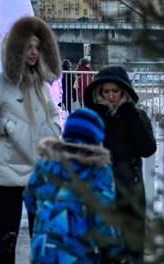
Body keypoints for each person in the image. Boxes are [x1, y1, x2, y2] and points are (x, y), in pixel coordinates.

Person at [0, 16, 63, 264]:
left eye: (37, 47)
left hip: (38, 170)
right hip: (9, 169)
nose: (33, 53)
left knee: (40, 234)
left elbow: (54, 115)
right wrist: (7, 127)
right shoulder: (1, 83)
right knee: (7, 235)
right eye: (28, 47)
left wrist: (53, 132)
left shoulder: (41, 84)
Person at [23, 108, 129, 263]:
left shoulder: (46, 164)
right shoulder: (97, 170)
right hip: (79, 252)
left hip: (44, 250)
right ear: (96, 138)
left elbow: (30, 199)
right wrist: (119, 252)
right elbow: (103, 216)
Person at [83, 66, 156, 263]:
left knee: (132, 246)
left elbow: (148, 148)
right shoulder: (93, 117)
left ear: (124, 90)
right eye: (106, 91)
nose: (111, 96)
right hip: (101, 190)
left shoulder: (136, 116)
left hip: (130, 188)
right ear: (100, 92)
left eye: (115, 91)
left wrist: (131, 113)